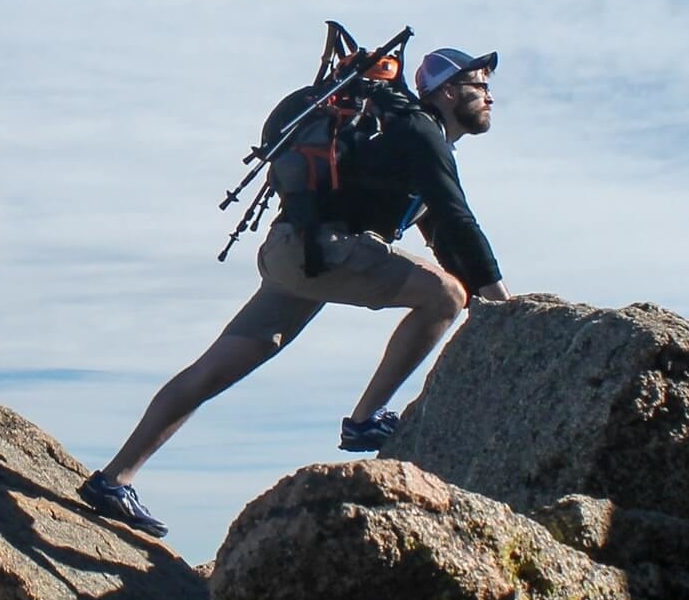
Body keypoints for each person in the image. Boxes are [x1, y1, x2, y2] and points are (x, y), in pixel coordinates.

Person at [77, 47, 511, 537]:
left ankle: (114, 479)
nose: (490, 96)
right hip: (320, 250)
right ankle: (365, 419)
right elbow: (458, 219)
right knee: (446, 296)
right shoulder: (419, 131)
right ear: (448, 91)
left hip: (295, 251)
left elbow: (445, 235)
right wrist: (506, 307)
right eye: (480, 85)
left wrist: (487, 298)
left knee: (212, 370)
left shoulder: (408, 134)